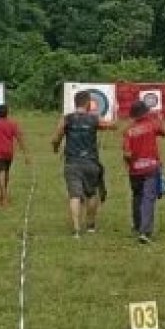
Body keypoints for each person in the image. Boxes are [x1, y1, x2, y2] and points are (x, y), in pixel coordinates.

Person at [52, 90, 114, 237]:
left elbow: (56, 138)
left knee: (74, 195)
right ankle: (91, 226)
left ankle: (76, 229)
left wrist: (56, 148)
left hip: (72, 162)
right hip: (91, 162)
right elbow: (112, 125)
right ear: (87, 103)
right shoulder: (94, 119)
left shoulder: (67, 119)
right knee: (91, 194)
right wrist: (103, 116)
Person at [122, 100, 165, 244]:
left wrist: (129, 164)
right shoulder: (152, 124)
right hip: (151, 168)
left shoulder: (129, 131)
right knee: (148, 198)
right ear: (145, 112)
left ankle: (137, 226)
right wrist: (159, 119)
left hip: (135, 170)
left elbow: (127, 153)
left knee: (137, 196)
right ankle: (145, 231)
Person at [0, 104, 28, 207]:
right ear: (7, 113)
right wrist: (26, 154)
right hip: (8, 153)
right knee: (6, 173)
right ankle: (3, 195)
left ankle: (4, 198)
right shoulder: (12, 124)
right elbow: (19, 138)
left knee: (0, 173)